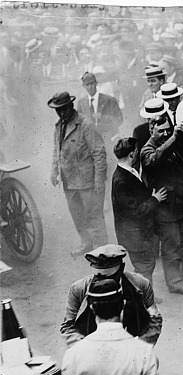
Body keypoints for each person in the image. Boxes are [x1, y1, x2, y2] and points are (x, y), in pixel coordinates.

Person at [141, 114, 183, 295]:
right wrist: (174, 138)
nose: (165, 133)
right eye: (161, 131)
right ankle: (175, 282)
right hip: (165, 209)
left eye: (168, 130)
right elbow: (153, 160)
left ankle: (182, 278)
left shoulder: (169, 143)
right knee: (171, 247)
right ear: (151, 130)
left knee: (181, 243)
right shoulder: (147, 149)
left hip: (178, 205)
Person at [60, 244, 163, 348]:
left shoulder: (141, 284)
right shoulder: (78, 288)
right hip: (91, 346)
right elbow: (68, 326)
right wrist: (85, 349)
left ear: (122, 268)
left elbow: (155, 319)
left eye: (110, 276)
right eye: (98, 275)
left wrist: (140, 346)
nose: (103, 280)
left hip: (130, 344)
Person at [48, 91, 108, 256]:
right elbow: (57, 150)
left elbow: (99, 153)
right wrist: (54, 170)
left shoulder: (85, 124)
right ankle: (86, 243)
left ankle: (102, 250)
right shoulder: (59, 126)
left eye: (64, 109)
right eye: (58, 110)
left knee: (94, 217)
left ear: (71, 106)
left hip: (87, 181)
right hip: (69, 181)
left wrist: (99, 181)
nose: (61, 113)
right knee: (78, 217)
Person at [112, 137, 167, 286]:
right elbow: (134, 211)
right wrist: (155, 199)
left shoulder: (126, 172)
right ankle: (144, 299)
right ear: (132, 154)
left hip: (136, 235)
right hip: (134, 236)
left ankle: (143, 294)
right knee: (145, 266)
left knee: (145, 266)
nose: (138, 153)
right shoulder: (121, 180)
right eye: (136, 151)